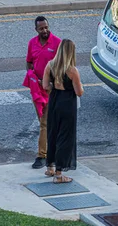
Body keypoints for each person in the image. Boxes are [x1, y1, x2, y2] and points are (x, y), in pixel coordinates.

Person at [42, 39, 84, 183]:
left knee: (52, 133)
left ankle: (50, 166)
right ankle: (59, 174)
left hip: (54, 101)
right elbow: (79, 92)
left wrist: (54, 89)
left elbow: (45, 85)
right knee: (65, 137)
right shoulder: (72, 70)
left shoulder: (50, 65)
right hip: (67, 104)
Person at [26, 16, 61, 169]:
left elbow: (62, 65)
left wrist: (51, 82)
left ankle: (42, 155)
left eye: (46, 27)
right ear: (36, 30)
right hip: (37, 89)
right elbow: (29, 62)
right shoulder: (32, 43)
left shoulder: (57, 43)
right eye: (41, 28)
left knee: (45, 123)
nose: (45, 30)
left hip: (51, 88)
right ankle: (50, 151)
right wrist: (31, 75)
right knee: (43, 121)